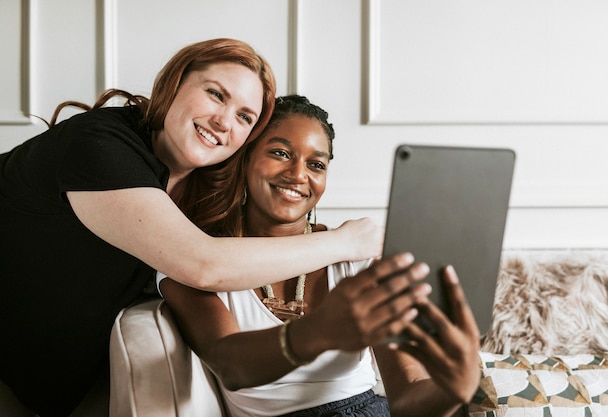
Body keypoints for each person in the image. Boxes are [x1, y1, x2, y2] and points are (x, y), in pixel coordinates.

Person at [0, 40, 382, 417]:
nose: (223, 121)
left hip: (61, 383)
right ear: (174, 83)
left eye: (244, 117)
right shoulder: (98, 145)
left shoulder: (202, 187)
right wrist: (346, 241)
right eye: (216, 94)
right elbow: (202, 265)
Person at [159, 95, 481, 417]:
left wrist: (452, 390)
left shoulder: (358, 259)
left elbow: (407, 398)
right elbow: (231, 365)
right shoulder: (199, 262)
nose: (298, 175)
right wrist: (322, 329)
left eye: (316, 165)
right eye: (281, 153)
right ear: (244, 158)